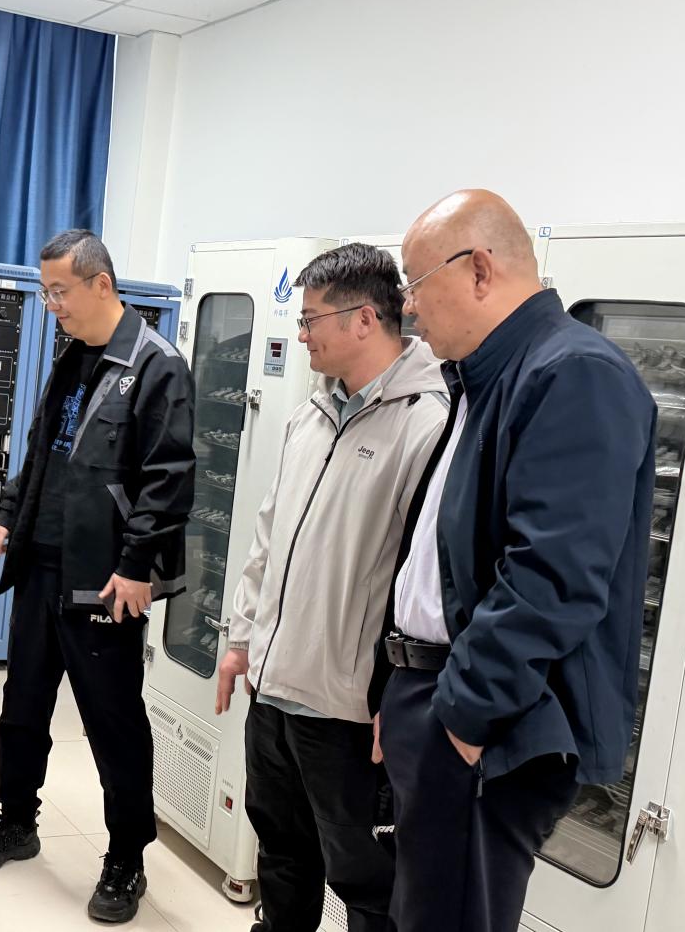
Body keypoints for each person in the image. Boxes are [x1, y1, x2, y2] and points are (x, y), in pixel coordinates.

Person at [372, 190, 657, 932]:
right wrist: (398, 688)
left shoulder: (573, 372)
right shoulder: (486, 375)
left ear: (478, 269)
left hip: (485, 719)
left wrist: (463, 719)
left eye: (414, 282)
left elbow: (551, 575)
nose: (408, 306)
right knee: (421, 909)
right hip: (434, 693)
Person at [0, 229, 196, 924]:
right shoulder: (72, 355)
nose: (51, 304)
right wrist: (10, 515)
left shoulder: (156, 365)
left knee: (114, 724)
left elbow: (169, 480)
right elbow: (44, 449)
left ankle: (126, 858)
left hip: (105, 577)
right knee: (21, 707)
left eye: (59, 291)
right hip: (41, 563)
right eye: (45, 292)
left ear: (101, 284)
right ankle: (15, 820)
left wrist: (137, 565)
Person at [216, 243, 448, 932]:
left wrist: (397, 698)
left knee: (366, 880)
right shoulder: (309, 414)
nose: (301, 335)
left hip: (348, 711)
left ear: (364, 319)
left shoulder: (427, 424)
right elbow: (268, 538)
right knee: (281, 852)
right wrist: (241, 640)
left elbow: (425, 584)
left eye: (311, 319)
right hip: (273, 688)